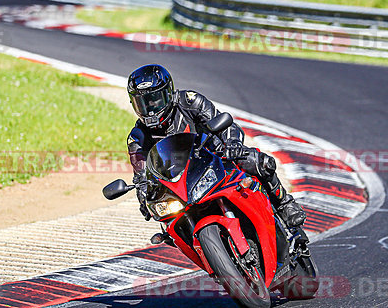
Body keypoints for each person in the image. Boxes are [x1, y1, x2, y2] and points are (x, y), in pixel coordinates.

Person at [126, 64, 306, 228]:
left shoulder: (190, 101)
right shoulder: (137, 136)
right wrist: (143, 194)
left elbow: (225, 124)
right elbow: (140, 174)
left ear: (168, 92)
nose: (149, 108)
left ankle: (285, 204)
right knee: (167, 225)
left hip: (216, 157)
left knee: (258, 162)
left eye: (154, 100)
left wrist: (232, 144)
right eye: (142, 103)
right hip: (181, 181)